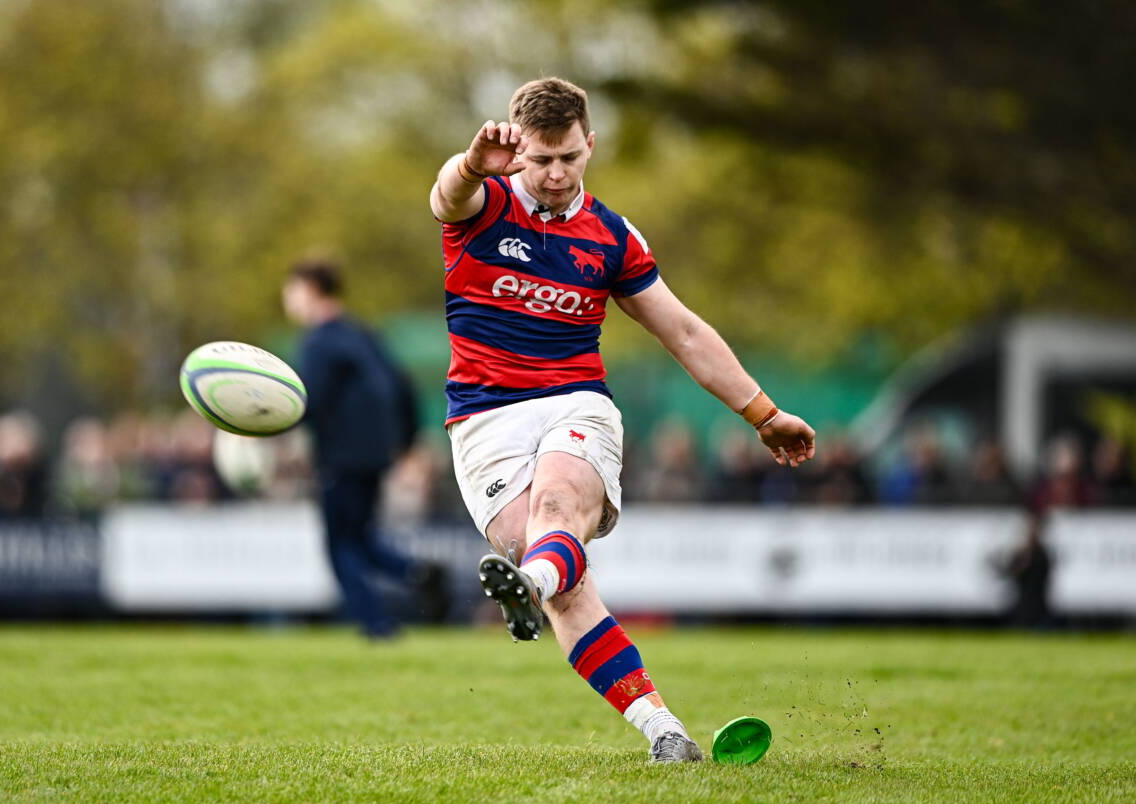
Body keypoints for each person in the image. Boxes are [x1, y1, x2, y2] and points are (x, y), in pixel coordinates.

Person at [428, 78, 817, 763]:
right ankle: (663, 731)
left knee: (556, 508)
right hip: (483, 422)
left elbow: (686, 333)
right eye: (541, 159)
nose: (554, 174)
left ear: (590, 146)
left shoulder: (611, 235)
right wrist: (468, 165)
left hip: (576, 401)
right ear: (516, 150)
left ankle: (532, 584)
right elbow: (444, 197)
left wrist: (763, 412)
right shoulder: (484, 203)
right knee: (562, 578)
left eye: (570, 158)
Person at [282, 259, 446, 638]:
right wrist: (404, 443)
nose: (288, 301)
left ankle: (377, 625)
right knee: (359, 536)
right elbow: (401, 386)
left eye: (290, 292)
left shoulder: (318, 340)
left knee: (339, 544)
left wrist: (267, 427)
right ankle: (416, 572)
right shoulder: (364, 334)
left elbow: (309, 400)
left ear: (309, 289)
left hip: (341, 456)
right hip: (377, 454)